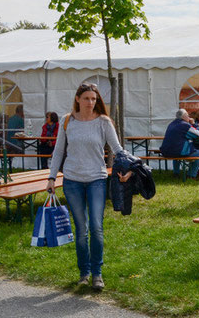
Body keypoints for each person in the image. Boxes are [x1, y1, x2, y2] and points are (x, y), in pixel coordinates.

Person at [45, 83, 124, 290]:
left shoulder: (103, 122)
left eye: (94, 99)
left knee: (96, 227)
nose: (91, 102)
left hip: (97, 179)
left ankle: (97, 273)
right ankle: (84, 272)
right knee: (81, 229)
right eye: (87, 98)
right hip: (72, 181)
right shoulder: (67, 120)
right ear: (78, 99)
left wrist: (128, 167)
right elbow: (59, 151)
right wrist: (52, 178)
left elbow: (117, 149)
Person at [161, 109, 199, 179]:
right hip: (177, 152)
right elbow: (198, 134)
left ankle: (176, 173)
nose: (189, 117)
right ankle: (191, 175)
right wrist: (194, 124)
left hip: (166, 151)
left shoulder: (171, 124)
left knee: (176, 150)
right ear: (183, 117)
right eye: (187, 115)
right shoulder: (185, 125)